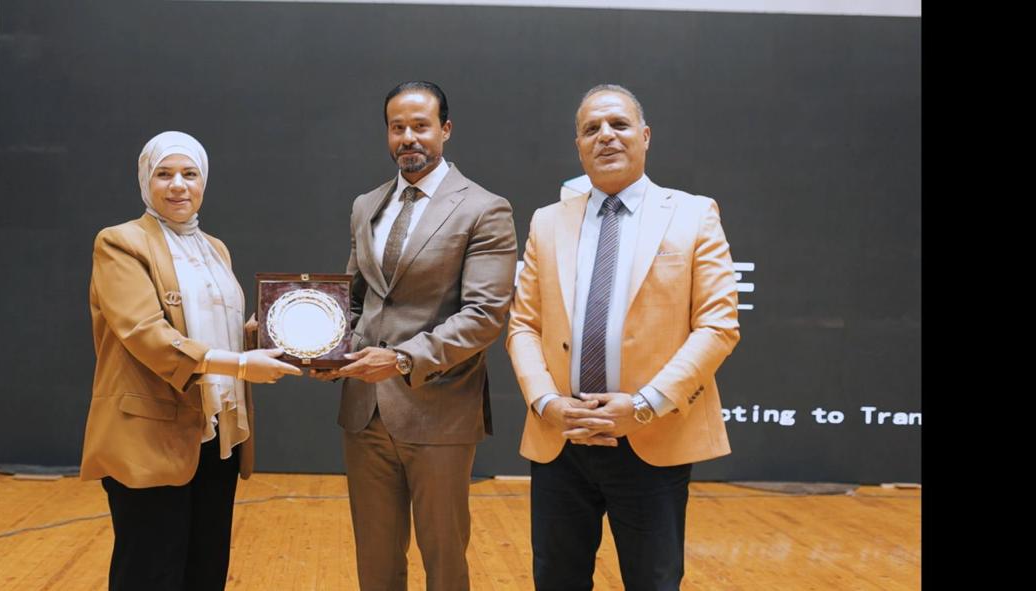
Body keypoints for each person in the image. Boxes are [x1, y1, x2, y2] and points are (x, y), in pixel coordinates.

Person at [506, 84, 740, 591]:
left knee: (653, 581)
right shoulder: (547, 222)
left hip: (651, 435)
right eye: (591, 129)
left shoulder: (694, 214)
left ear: (645, 136)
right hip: (561, 438)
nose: (605, 136)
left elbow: (718, 325)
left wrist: (643, 406)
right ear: (578, 145)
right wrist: (547, 402)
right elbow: (523, 325)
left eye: (619, 124)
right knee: (556, 580)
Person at [312, 81, 517, 590]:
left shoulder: (484, 208)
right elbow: (355, 301)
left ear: (445, 129)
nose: (408, 138)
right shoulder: (366, 205)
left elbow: (485, 315)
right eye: (397, 127)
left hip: (439, 410)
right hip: (364, 411)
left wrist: (402, 359)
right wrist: (323, 348)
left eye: (420, 126)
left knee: (444, 562)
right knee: (376, 562)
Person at [79, 131, 301, 590]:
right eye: (164, 173)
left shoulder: (214, 248)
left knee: (205, 571)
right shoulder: (120, 242)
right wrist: (242, 365)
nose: (178, 184)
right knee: (150, 574)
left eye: (189, 173)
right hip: (150, 435)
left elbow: (207, 329)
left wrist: (260, 335)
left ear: (204, 181)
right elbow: (146, 335)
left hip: (217, 434)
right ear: (146, 180)